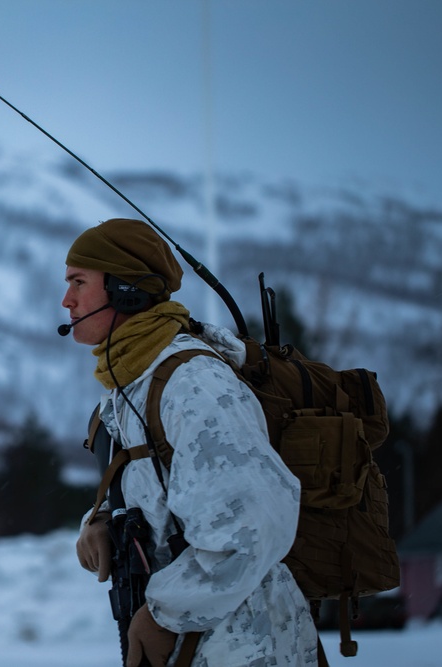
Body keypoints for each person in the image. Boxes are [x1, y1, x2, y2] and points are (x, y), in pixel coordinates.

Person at [64, 218, 319, 667]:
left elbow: (251, 525)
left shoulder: (193, 382)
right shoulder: (132, 384)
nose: (67, 301)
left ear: (127, 290)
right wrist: (105, 517)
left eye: (79, 283)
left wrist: (167, 616)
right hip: (202, 643)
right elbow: (166, 493)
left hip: (244, 645)